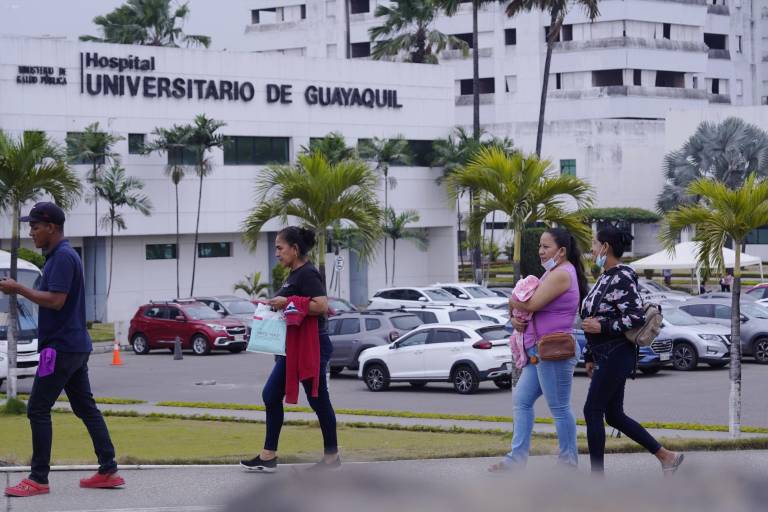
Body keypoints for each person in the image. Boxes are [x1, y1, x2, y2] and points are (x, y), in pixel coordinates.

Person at [2, 202, 124, 498]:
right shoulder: (60, 256)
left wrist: (18, 289)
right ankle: (108, 469)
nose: (31, 232)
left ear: (51, 227)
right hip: (73, 346)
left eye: (34, 226)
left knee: (37, 408)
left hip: (60, 348)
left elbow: (56, 300)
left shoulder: (63, 258)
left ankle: (38, 478)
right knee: (85, 408)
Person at [581, 226, 684, 475]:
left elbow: (636, 317)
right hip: (605, 354)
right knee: (613, 415)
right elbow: (594, 318)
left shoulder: (622, 276)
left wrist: (602, 326)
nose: (591, 250)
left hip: (616, 354)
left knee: (592, 410)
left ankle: (596, 479)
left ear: (605, 247)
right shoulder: (606, 276)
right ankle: (666, 457)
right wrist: (590, 355)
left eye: (594, 244)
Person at [240, 226, 339, 472]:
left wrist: (288, 301)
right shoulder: (294, 275)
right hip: (293, 346)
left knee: (318, 400)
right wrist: (273, 305)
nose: (276, 253)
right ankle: (268, 455)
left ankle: (331, 458)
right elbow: (294, 306)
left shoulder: (307, 274)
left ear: (295, 249)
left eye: (279, 247)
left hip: (312, 345)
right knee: (271, 395)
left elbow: (321, 305)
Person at [489, 228, 587, 471]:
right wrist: (514, 317)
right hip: (538, 351)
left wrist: (512, 300)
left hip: (553, 351)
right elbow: (527, 310)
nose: (541, 251)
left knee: (560, 408)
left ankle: (568, 463)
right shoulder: (552, 273)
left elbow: (531, 303)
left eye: (546, 247)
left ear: (561, 251)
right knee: (521, 401)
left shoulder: (562, 274)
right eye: (540, 247)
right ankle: (516, 461)